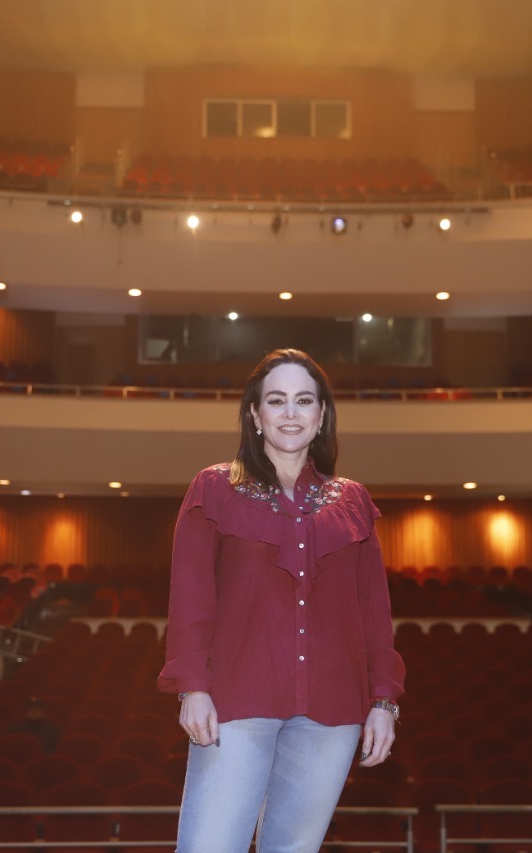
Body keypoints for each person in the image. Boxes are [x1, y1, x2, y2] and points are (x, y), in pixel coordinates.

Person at [158, 348, 405, 853]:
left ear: (321, 416)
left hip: (332, 710)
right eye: (276, 400)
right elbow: (190, 598)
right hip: (236, 700)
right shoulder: (214, 488)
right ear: (255, 414)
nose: (290, 413)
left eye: (303, 401)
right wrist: (192, 688)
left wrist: (384, 700)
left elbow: (375, 612)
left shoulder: (352, 501)